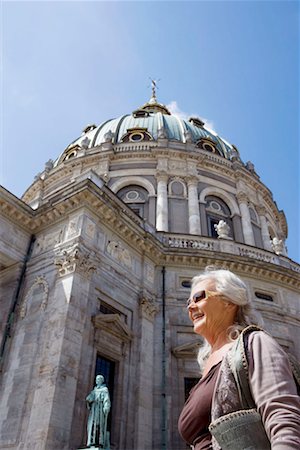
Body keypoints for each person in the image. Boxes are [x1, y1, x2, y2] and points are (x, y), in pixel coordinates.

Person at [178, 267, 300, 450]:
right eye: (188, 301)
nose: (190, 306)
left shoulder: (255, 343)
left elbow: (283, 417)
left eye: (199, 297)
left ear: (229, 301)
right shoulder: (208, 366)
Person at [86, 374, 111, 449]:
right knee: (91, 425)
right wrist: (89, 399)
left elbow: (106, 399)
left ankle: (99, 441)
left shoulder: (105, 389)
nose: (97, 381)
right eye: (96, 379)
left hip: (100, 409)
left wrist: (106, 407)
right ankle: (91, 441)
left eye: (99, 379)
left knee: (99, 425)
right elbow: (89, 398)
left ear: (102, 381)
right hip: (94, 409)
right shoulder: (94, 390)